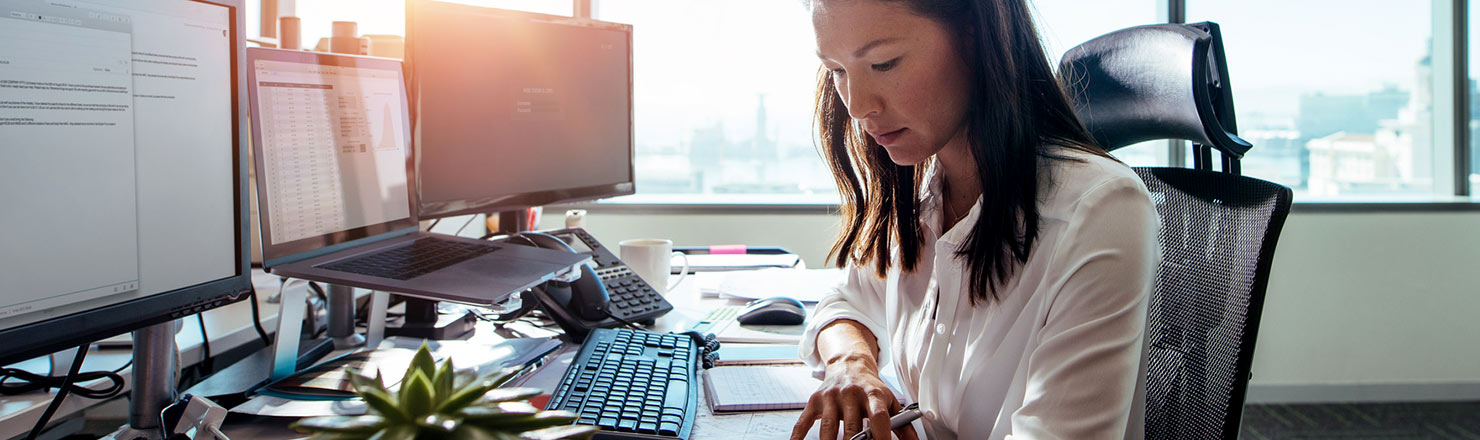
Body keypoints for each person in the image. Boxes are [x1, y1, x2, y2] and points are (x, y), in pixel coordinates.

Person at [789, 0, 1160, 439]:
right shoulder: (925, 190)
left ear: (977, 38)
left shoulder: (1099, 211)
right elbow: (845, 305)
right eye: (837, 71)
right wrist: (850, 364)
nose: (856, 106)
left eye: (883, 63)